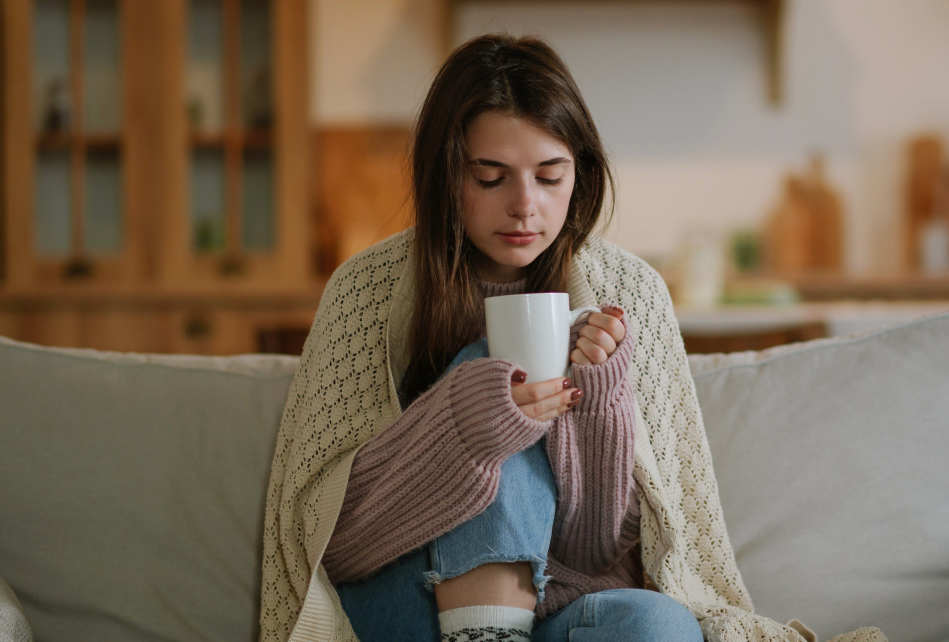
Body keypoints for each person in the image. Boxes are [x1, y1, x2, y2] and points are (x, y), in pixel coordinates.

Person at [259, 33, 884, 642]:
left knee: (659, 626)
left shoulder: (630, 292)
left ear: (579, 175)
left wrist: (601, 401)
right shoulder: (364, 292)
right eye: (490, 177)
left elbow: (596, 550)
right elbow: (326, 546)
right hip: (406, 601)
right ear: (446, 176)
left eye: (550, 176)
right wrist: (461, 428)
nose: (524, 205)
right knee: (490, 368)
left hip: (563, 607)